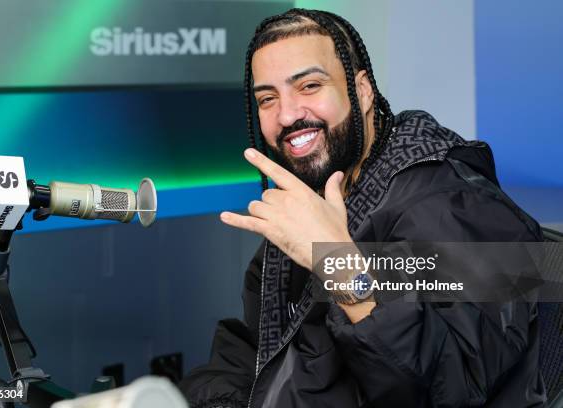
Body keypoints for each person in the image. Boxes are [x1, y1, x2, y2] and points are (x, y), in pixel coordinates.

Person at [179, 8, 546, 407]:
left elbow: (453, 382)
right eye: (268, 99)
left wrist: (339, 264)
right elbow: (254, 355)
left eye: (309, 86)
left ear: (363, 91)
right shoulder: (311, 200)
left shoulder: (450, 201)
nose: (286, 114)